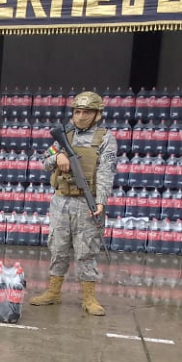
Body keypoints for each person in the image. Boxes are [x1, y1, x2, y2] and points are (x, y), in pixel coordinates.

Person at [29, 90, 118, 316]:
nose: (80, 116)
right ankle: (53, 291)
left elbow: (106, 172)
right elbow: (43, 161)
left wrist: (101, 202)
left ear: (97, 114)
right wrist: (57, 158)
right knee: (57, 247)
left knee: (86, 250)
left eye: (86, 112)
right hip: (61, 201)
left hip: (85, 203)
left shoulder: (105, 139)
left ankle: (88, 297)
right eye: (77, 111)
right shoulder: (64, 135)